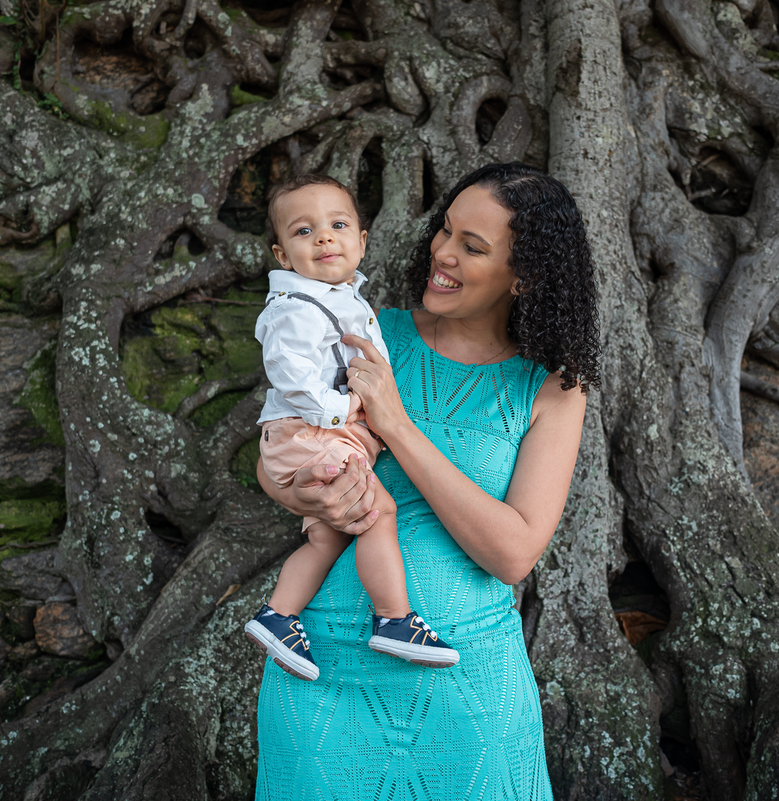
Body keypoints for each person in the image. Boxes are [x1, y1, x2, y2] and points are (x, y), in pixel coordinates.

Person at [254, 162, 600, 799]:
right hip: (321, 673)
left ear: (525, 278)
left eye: (472, 247)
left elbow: (514, 553)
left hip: (467, 688)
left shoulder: (552, 389)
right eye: (445, 230)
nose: (441, 253)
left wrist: (397, 424)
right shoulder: (362, 331)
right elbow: (281, 447)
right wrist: (297, 491)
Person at [244, 174, 459, 683]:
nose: (323, 238)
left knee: (326, 538)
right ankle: (394, 620)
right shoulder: (295, 307)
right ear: (281, 254)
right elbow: (291, 376)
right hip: (313, 434)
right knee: (378, 513)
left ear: (362, 241)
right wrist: (344, 408)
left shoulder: (346, 300)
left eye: (338, 225)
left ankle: (278, 615)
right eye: (304, 231)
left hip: (316, 436)